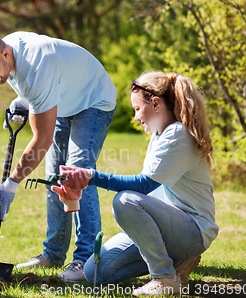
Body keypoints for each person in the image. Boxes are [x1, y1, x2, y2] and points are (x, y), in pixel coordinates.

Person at [52, 71, 218, 296]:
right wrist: (80, 190)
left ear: (156, 104)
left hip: (191, 230)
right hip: (165, 228)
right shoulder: (159, 135)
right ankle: (177, 261)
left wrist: (90, 177)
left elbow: (143, 185)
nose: (136, 117)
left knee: (126, 200)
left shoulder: (178, 134)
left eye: (138, 109)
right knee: (95, 273)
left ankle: (165, 278)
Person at [0, 32, 117, 280]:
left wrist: (12, 183)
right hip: (65, 100)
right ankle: (53, 254)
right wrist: (23, 100)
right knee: (53, 179)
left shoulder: (37, 67)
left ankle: (85, 261)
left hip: (93, 99)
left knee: (77, 175)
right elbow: (30, 83)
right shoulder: (6, 50)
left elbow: (42, 141)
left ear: (5, 54)